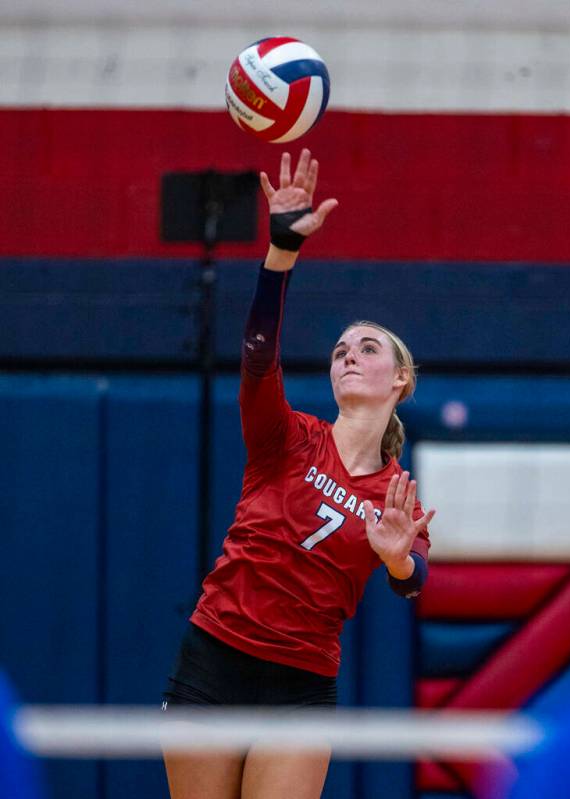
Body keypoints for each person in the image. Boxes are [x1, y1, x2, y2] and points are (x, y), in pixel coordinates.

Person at [162, 148, 434, 799]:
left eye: (367, 347)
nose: (348, 354)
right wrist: (280, 252)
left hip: (300, 685)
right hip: (215, 658)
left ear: (399, 379)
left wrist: (398, 560)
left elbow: (415, 575)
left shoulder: (393, 497)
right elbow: (259, 356)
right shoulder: (286, 436)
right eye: (340, 348)